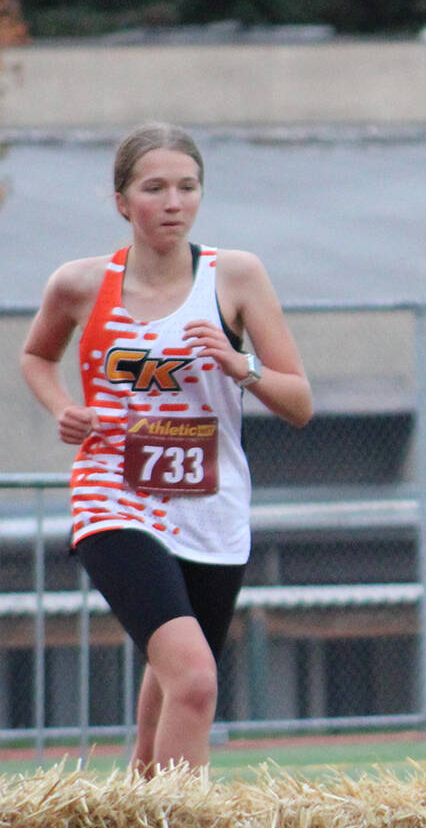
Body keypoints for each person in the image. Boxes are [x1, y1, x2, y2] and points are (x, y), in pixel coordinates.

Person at [19, 122, 313, 772]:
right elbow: (37, 354)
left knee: (170, 688)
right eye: (155, 188)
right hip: (115, 497)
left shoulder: (234, 276)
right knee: (196, 679)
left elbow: (300, 401)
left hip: (210, 504)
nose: (173, 202)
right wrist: (64, 407)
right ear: (123, 201)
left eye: (187, 186)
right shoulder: (80, 284)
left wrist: (244, 368)